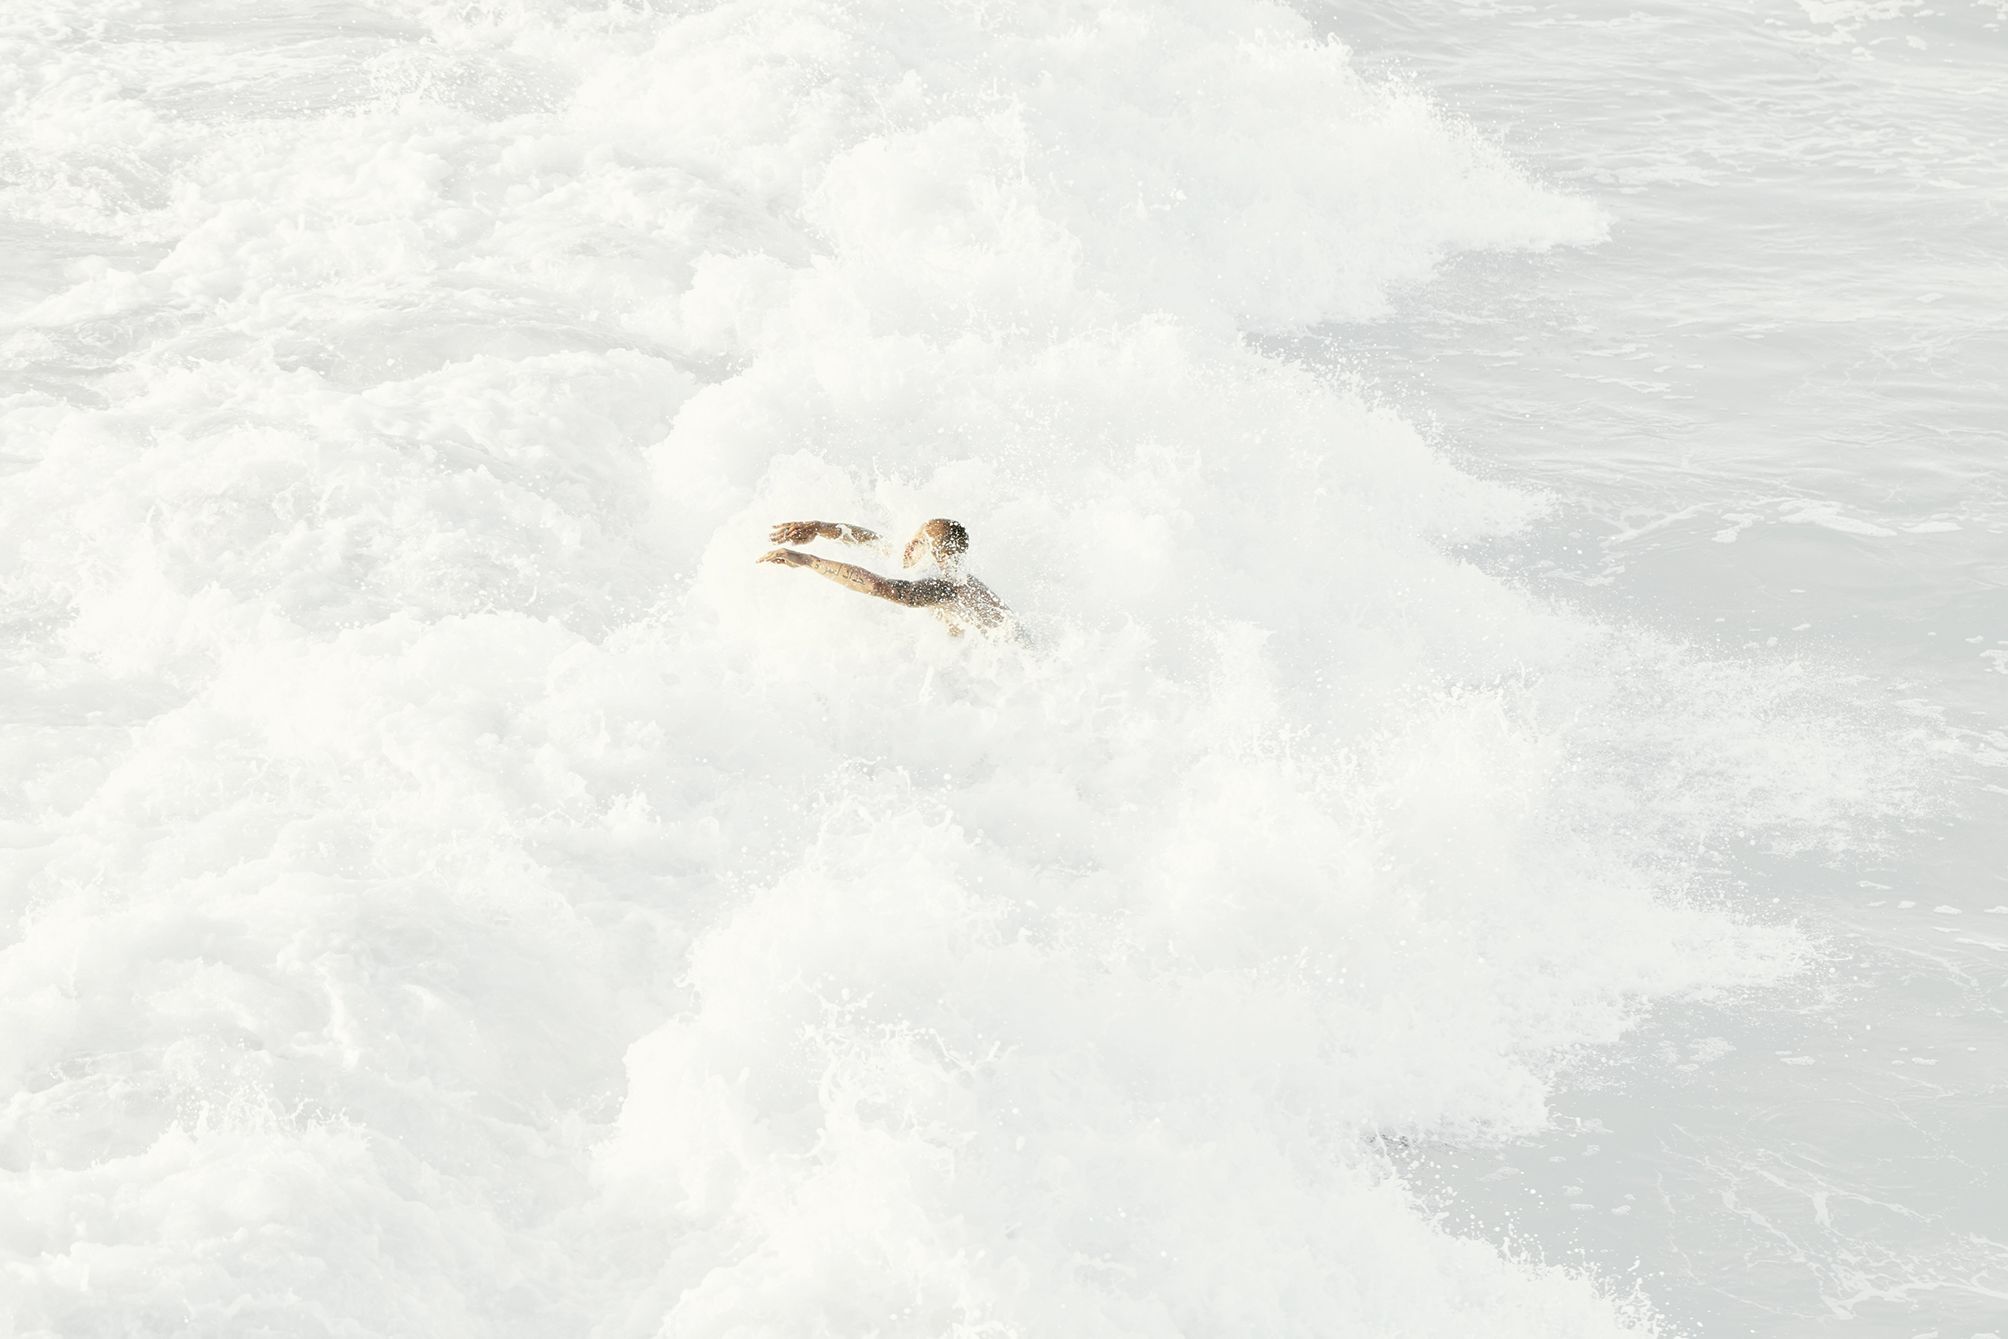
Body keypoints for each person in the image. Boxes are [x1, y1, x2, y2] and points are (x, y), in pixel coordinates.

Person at [759, 517, 1020, 639]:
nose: (907, 546)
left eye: (917, 542)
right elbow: (871, 540)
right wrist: (818, 527)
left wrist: (808, 561)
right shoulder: (941, 570)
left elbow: (883, 587)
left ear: (937, 555)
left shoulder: (947, 587)